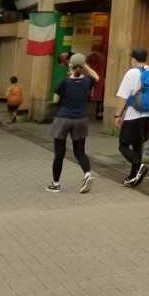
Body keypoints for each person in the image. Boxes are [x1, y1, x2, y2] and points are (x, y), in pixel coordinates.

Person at [49, 53, 98, 193]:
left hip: (63, 119)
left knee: (59, 153)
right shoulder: (88, 81)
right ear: (82, 66)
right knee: (80, 152)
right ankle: (87, 174)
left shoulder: (64, 82)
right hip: (81, 119)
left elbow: (55, 100)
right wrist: (85, 66)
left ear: (70, 65)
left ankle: (56, 184)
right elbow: (96, 77)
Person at [114, 47, 149, 187]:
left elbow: (123, 96)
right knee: (137, 145)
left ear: (133, 59)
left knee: (123, 145)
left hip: (133, 115)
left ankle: (140, 166)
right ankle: (133, 176)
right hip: (148, 115)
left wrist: (118, 115)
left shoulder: (132, 73)